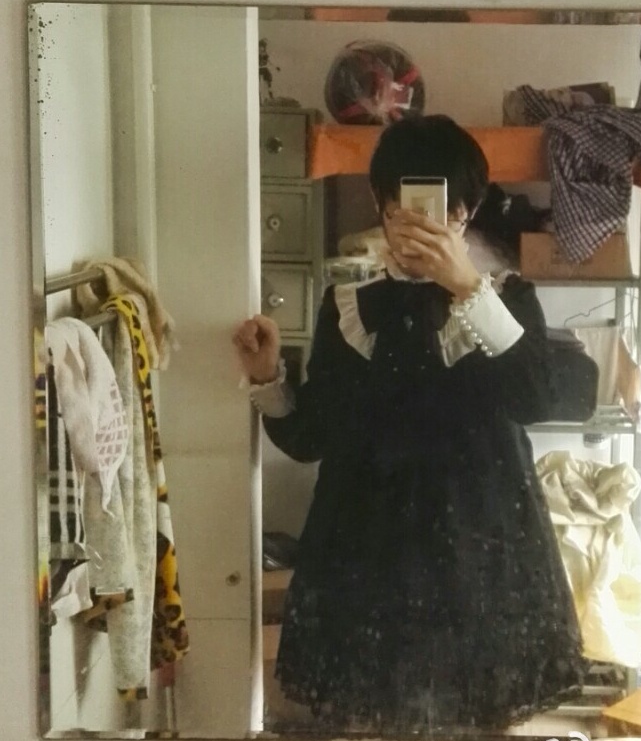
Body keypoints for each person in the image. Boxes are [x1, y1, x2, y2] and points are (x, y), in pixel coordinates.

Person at [233, 115, 589, 732]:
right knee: (380, 723)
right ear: (381, 205)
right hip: (366, 556)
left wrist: (467, 286)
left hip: (484, 550)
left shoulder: (507, 298)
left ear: (467, 213)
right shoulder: (348, 305)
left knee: (480, 719)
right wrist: (269, 378)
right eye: (403, 208)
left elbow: (535, 397)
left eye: (443, 210)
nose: (421, 225)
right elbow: (312, 436)